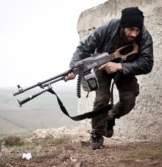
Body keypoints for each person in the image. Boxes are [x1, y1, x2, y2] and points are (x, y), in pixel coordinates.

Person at [65, 7, 153, 150]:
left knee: (129, 99)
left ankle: (110, 117)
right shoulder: (108, 27)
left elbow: (147, 63)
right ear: (123, 26)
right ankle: (97, 134)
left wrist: (120, 67)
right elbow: (83, 48)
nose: (134, 34)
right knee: (102, 99)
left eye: (137, 30)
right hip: (101, 65)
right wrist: (72, 70)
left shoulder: (144, 36)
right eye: (131, 29)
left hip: (125, 67)